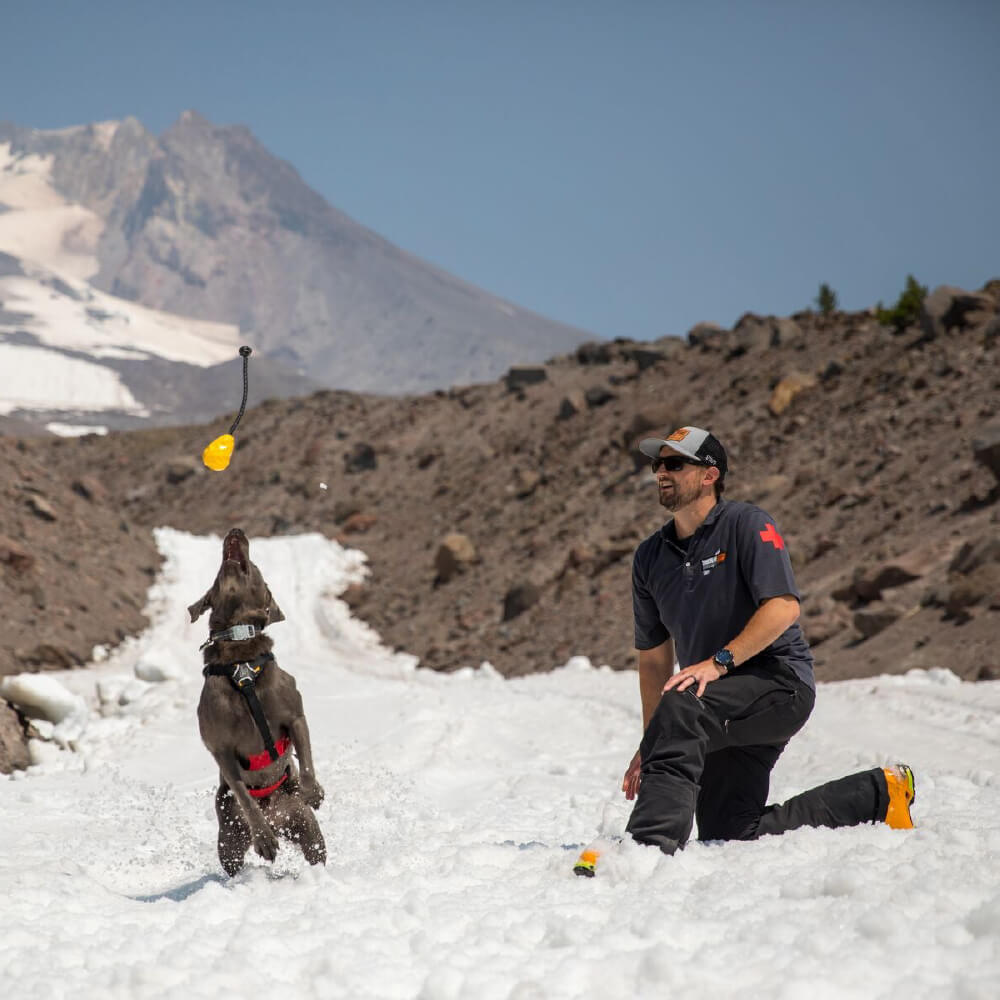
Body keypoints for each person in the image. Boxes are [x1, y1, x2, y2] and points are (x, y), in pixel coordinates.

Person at [574, 425, 915, 876]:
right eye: (657, 464)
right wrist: (651, 742)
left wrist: (719, 663)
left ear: (709, 474)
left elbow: (783, 607)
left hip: (779, 684)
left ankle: (647, 849)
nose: (661, 472)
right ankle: (880, 793)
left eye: (675, 464)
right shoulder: (649, 558)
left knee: (685, 699)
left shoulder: (746, 525)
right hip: (716, 703)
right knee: (730, 830)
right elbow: (654, 658)